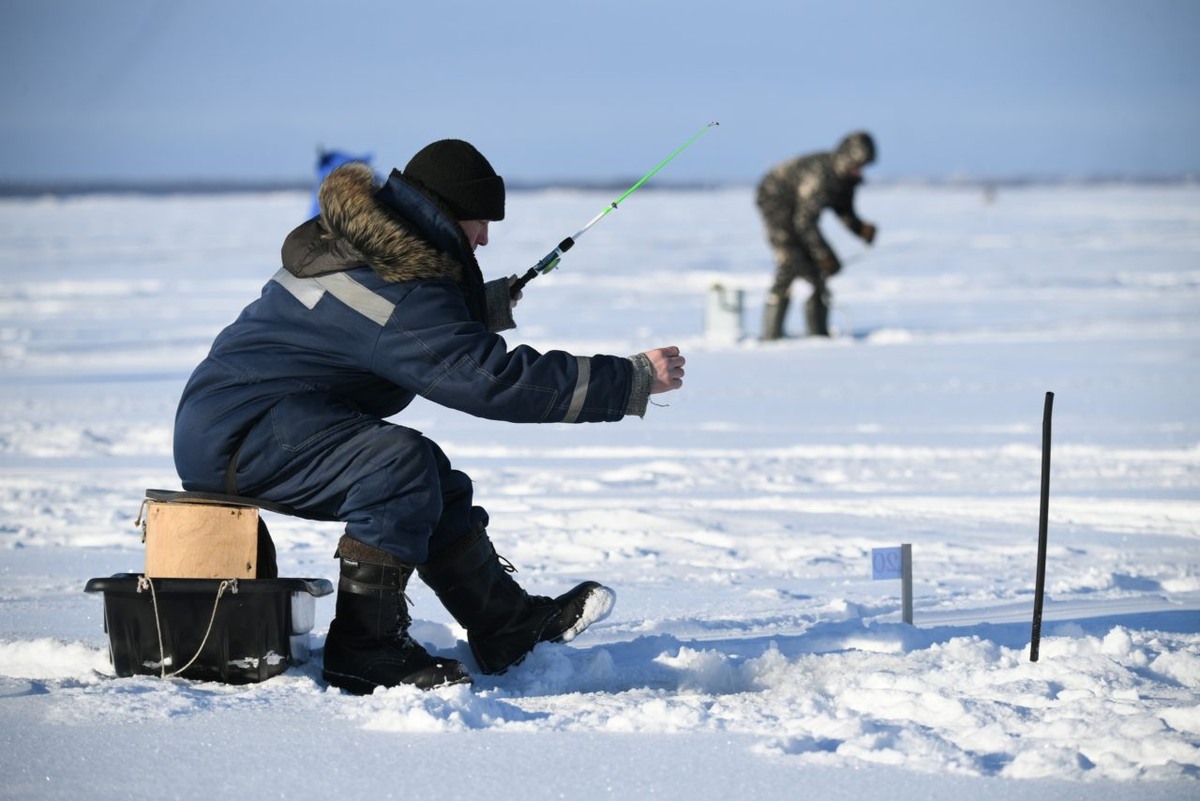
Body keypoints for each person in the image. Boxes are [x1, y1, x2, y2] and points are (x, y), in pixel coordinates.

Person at [172, 140, 686, 693]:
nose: (485, 237)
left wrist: (476, 308)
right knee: (399, 468)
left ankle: (504, 624)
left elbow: (376, 330)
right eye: (480, 221)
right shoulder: (397, 290)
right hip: (243, 435)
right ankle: (364, 650)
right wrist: (628, 380)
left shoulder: (366, 249)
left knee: (427, 475)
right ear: (445, 214)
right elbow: (492, 382)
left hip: (240, 419)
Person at [755, 130, 878, 339]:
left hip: (799, 212)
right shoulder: (820, 176)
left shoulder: (844, 178)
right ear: (847, 158)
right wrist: (825, 255)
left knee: (816, 271)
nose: (859, 171)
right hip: (775, 200)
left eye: (862, 166)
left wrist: (860, 228)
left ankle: (818, 335)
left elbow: (844, 210)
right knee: (791, 261)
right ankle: (771, 335)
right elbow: (804, 221)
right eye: (857, 165)